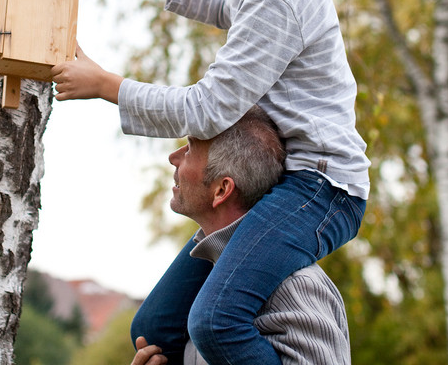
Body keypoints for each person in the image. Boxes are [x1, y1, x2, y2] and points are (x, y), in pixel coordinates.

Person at [51, 0, 369, 365]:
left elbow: (208, 110)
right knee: (155, 328)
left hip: (321, 187)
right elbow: (234, 10)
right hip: (286, 180)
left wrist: (108, 86)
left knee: (217, 321)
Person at [130, 107, 351, 365]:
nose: (173, 157)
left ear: (221, 189)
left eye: (190, 149)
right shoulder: (199, 293)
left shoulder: (297, 286)